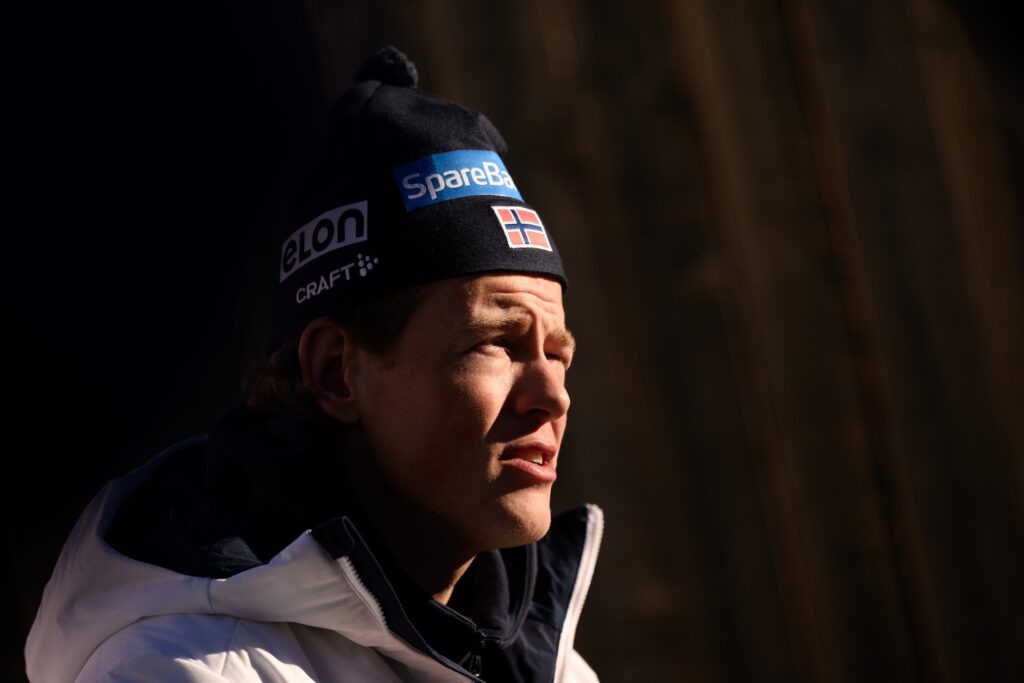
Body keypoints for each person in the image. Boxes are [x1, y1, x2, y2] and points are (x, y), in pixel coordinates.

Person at [25, 46, 603, 682]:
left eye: (558, 353)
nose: (553, 395)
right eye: (497, 343)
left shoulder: (555, 669)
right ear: (334, 371)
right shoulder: (185, 670)